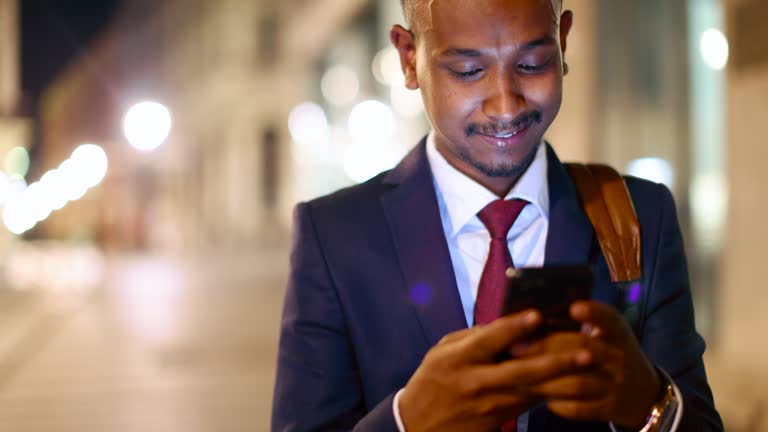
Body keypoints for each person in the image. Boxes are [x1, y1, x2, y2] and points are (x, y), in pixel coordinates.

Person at [271, 0, 723, 430]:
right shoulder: (334, 236)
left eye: (531, 65)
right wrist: (407, 421)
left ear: (563, 42)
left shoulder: (640, 217)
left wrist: (648, 401)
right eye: (468, 71)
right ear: (409, 58)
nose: (506, 105)